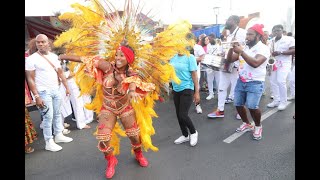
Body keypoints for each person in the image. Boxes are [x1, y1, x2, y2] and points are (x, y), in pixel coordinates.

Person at [53, 1, 194, 178]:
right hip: (108, 108)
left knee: (134, 136)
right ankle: (111, 160)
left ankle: (138, 154)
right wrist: (64, 55)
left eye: (122, 56)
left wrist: (133, 90)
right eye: (117, 55)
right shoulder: (106, 65)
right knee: (103, 137)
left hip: (125, 107)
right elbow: (84, 58)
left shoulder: (131, 72)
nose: (118, 58)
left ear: (128, 59)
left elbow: (133, 81)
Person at [25, 34, 73, 152]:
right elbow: (30, 78)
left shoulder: (54, 56)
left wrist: (66, 87)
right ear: (35, 44)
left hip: (56, 89)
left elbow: (60, 73)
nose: (40, 44)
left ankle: (58, 135)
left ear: (48, 43)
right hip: (43, 92)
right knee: (48, 117)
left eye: (43, 42)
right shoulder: (31, 59)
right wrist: (36, 96)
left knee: (57, 114)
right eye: (38, 42)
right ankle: (49, 141)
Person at [226, 24, 270, 140]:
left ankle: (258, 126)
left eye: (250, 34)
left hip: (255, 82)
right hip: (241, 80)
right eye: (247, 34)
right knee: (238, 104)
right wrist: (231, 48)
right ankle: (246, 123)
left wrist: (241, 51)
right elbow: (230, 59)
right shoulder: (245, 47)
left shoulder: (263, 48)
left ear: (258, 36)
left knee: (252, 106)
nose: (247, 36)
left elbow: (255, 63)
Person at [207, 15, 246, 119]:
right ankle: (220, 110)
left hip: (237, 66)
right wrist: (222, 55)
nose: (226, 21)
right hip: (226, 65)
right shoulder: (228, 35)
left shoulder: (242, 33)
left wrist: (233, 58)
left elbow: (243, 50)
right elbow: (227, 49)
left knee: (238, 89)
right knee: (221, 88)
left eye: (228, 20)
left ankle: (241, 111)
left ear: (235, 21)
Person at [170, 53, 200, 147]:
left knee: (183, 114)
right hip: (176, 88)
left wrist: (197, 92)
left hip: (187, 87)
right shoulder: (173, 57)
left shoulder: (190, 57)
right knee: (178, 114)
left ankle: (193, 132)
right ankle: (185, 135)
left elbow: (194, 74)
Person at [267, 24, 295, 110]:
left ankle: (283, 102)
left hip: (284, 63)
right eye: (274, 30)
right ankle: (276, 100)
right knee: (273, 82)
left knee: (280, 81)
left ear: (282, 31)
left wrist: (281, 52)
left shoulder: (289, 39)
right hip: (273, 63)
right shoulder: (271, 41)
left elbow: (293, 50)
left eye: (278, 30)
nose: (276, 32)